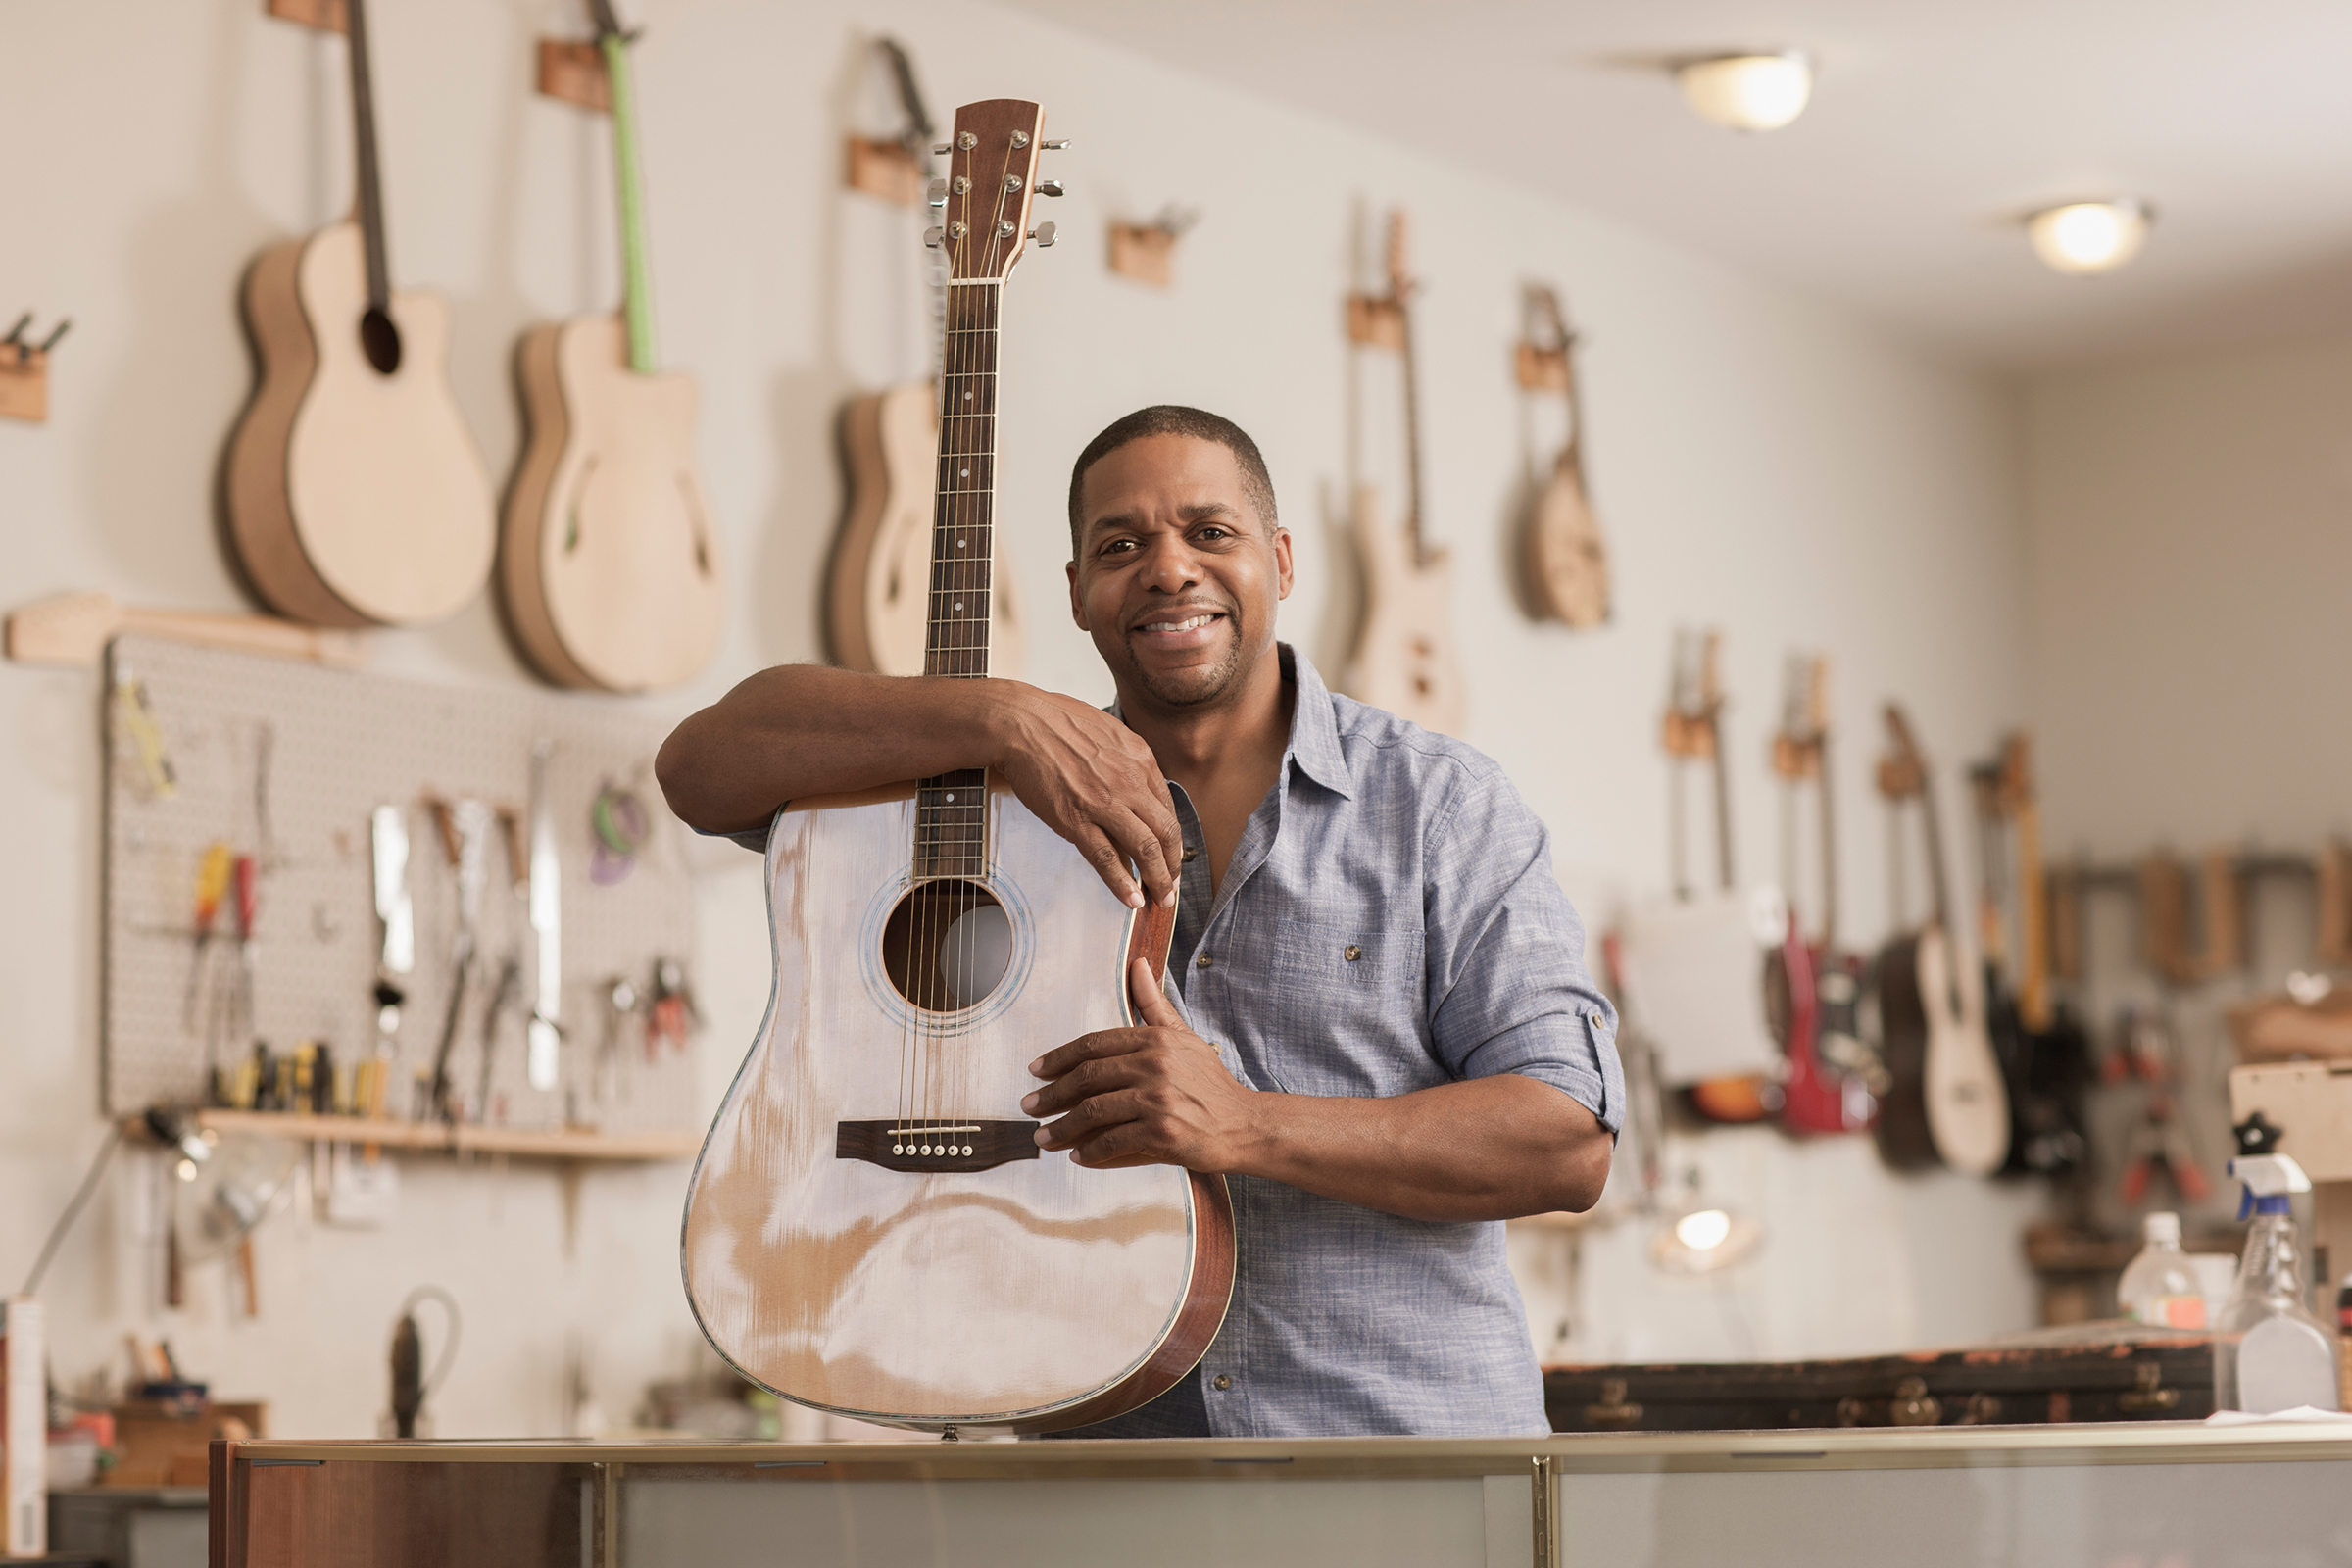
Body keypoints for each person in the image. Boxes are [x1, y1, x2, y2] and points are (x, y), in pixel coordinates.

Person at [657, 404, 1622, 1438]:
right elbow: (702, 767)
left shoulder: (1443, 807)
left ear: (1282, 561)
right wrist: (997, 714)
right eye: (1121, 545)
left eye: (1210, 532)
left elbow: (1567, 1141)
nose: (1168, 569)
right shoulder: (998, 807)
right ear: (1075, 592)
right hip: (1104, 1479)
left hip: (1407, 1464)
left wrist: (1248, 1123)